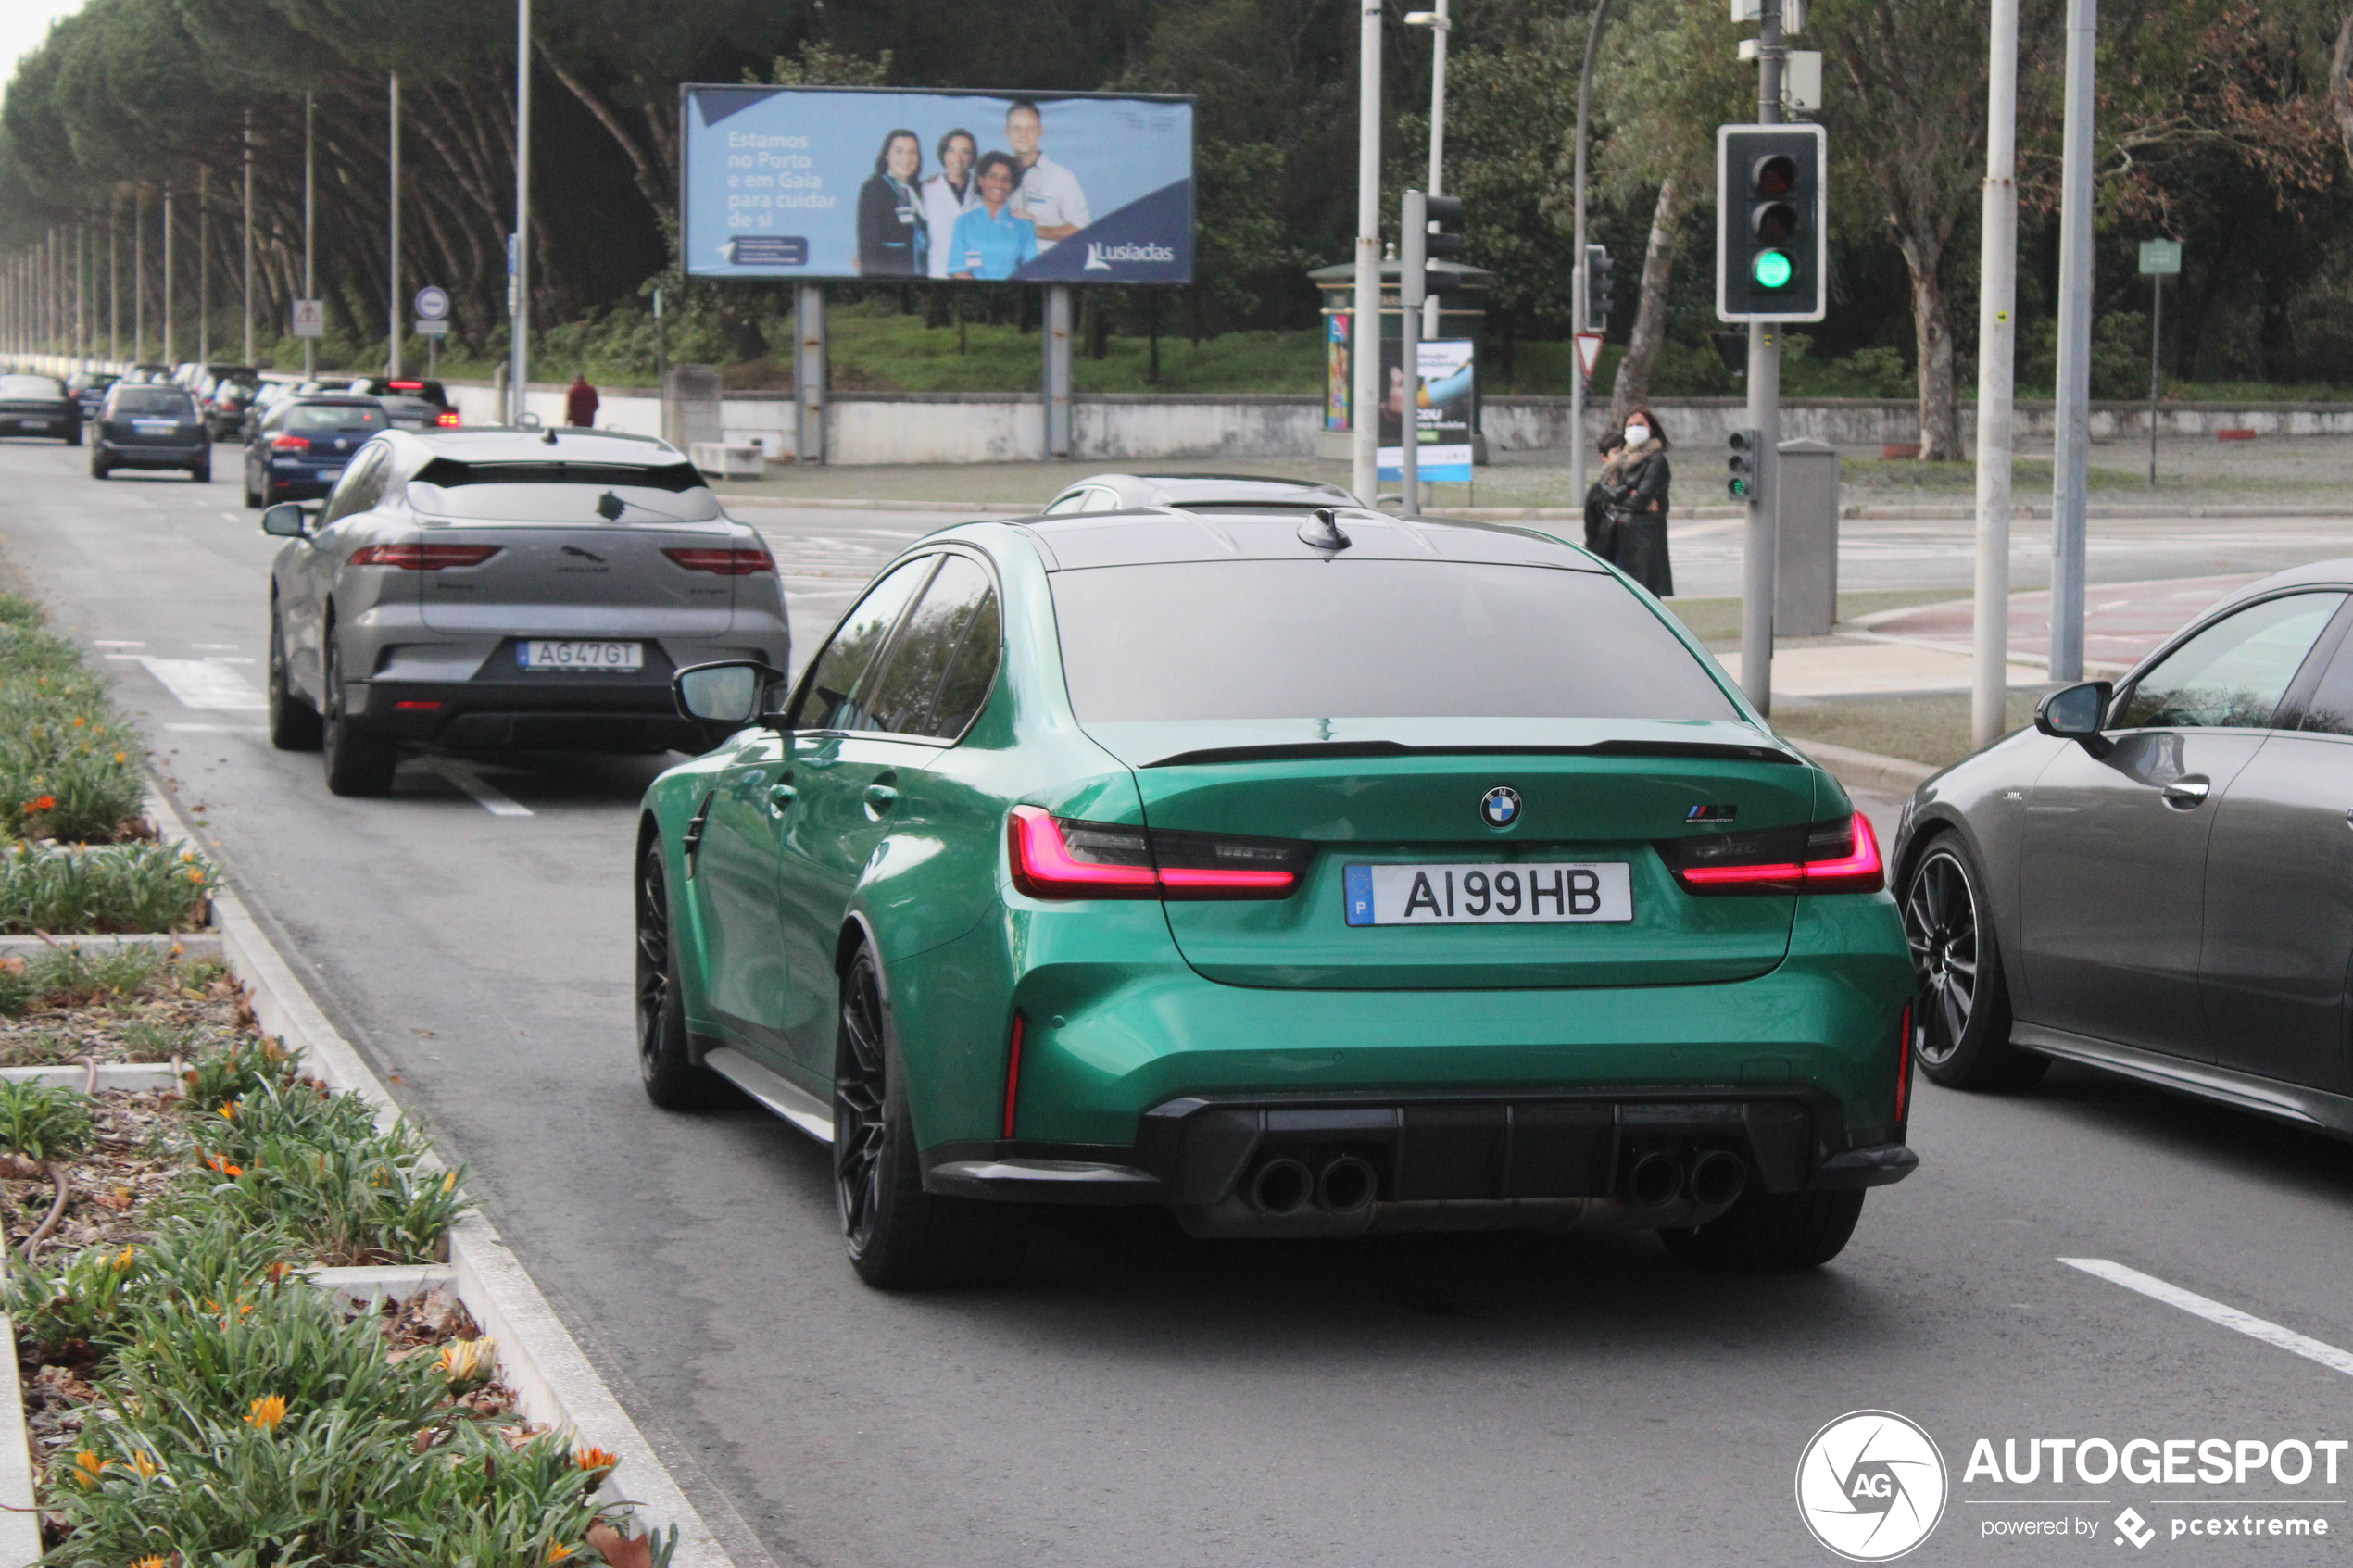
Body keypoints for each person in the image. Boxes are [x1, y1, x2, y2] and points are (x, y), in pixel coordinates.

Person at [1003, 99, 1089, 251]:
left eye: (1030, 128)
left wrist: (1035, 229)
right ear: (1007, 132)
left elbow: (1081, 229)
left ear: (1040, 131)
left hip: (1045, 269)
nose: (1023, 134)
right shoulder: (994, 178)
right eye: (1017, 128)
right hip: (1002, 270)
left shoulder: (1062, 178)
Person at [1608, 407, 1673, 596]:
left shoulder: (1656, 461)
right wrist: (1627, 494)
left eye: (1640, 425)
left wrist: (1618, 500)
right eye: (1630, 425)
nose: (1635, 429)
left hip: (1644, 540)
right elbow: (1605, 494)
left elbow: (1641, 499)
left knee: (1644, 597)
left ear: (1651, 429)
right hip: (1618, 537)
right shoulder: (1619, 461)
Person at [949, 152, 1038, 280]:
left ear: (1012, 186)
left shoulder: (1024, 224)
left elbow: (1031, 272)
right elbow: (958, 270)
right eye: (993, 177)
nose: (999, 184)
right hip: (970, 295)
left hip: (1014, 295)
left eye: (1005, 179)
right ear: (980, 180)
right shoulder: (964, 222)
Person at [854, 129, 925, 276]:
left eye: (912, 152)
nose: (906, 158)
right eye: (899, 151)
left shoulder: (920, 191)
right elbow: (869, 246)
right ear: (886, 155)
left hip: (920, 278)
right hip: (889, 281)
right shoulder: (874, 188)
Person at [921, 129, 980, 279]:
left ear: (973, 157)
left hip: (977, 276)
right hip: (939, 275)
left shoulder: (982, 188)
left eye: (965, 152)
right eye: (951, 151)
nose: (958, 158)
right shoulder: (927, 190)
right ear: (943, 154)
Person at [1583, 428, 1627, 556]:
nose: (1622, 456)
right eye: (1617, 452)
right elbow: (1591, 530)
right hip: (1606, 555)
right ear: (1604, 457)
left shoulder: (1635, 486)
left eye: (1625, 451)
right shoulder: (1597, 492)